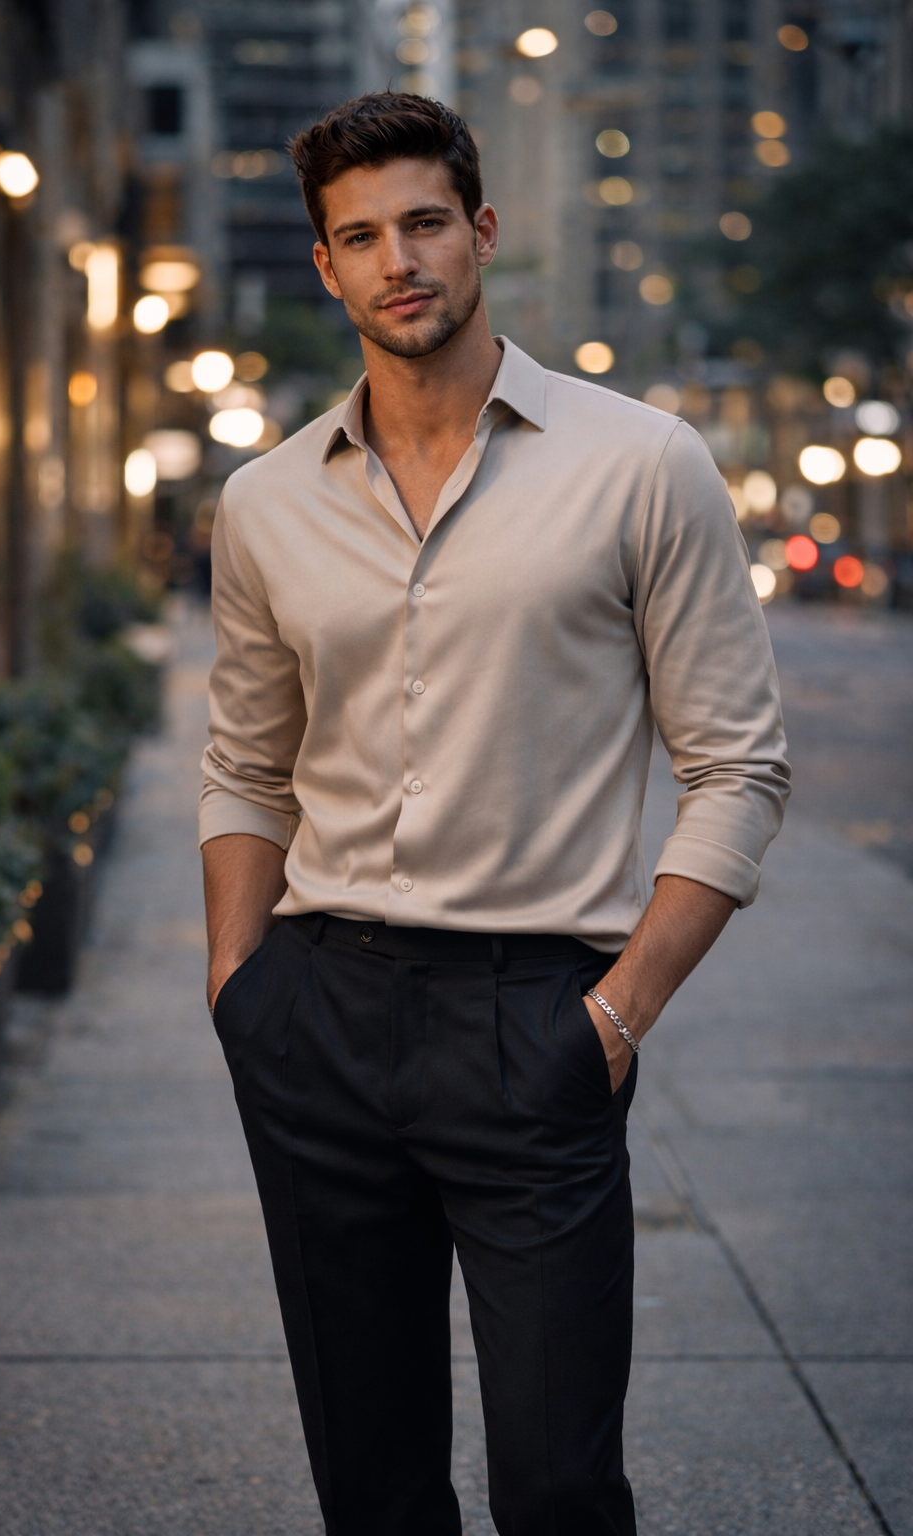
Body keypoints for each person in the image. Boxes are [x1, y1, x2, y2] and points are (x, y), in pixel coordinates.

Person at [200, 91, 790, 1536]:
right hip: (319, 1013)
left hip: (537, 1020)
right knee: (374, 1480)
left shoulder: (640, 463)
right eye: (359, 236)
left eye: (422, 223)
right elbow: (245, 766)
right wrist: (237, 986)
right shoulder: (268, 502)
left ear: (482, 233)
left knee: (560, 1482)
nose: (396, 260)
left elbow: (739, 766)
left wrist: (617, 1015)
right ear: (325, 266)